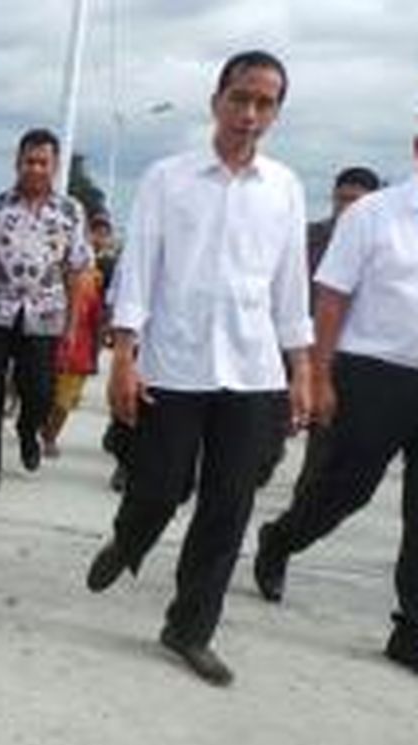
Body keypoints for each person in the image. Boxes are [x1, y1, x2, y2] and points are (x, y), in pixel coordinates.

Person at [85, 50, 313, 687]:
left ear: (275, 112)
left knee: (228, 506)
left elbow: (291, 289)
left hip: (252, 369)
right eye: (240, 98)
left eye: (264, 103)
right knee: (158, 486)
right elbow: (140, 271)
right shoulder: (167, 177)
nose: (249, 113)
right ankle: (129, 539)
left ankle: (188, 629)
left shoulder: (286, 188)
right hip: (175, 361)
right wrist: (123, 357)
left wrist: (301, 371)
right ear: (217, 100)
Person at [253, 133, 418, 675]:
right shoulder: (374, 214)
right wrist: (319, 373)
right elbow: (332, 297)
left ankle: (411, 629)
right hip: (373, 371)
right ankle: (281, 539)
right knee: (348, 488)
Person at [0, 128, 93, 496]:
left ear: (55, 167)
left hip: (45, 316)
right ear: (17, 162)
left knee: (39, 391)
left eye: (44, 162)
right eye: (30, 161)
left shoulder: (70, 212)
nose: (36, 169)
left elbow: (76, 271)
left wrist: (72, 324)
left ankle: (29, 431)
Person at [257, 165, 383, 487]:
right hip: (290, 345)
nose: (348, 208)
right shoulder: (307, 238)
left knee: (323, 444)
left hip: (341, 355)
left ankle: (304, 499)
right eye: (342, 199)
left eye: (356, 201)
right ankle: (263, 459)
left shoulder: (383, 248)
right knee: (268, 430)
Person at [40, 259, 105, 458]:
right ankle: (42, 429)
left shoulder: (91, 283)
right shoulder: (47, 279)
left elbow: (97, 324)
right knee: (44, 396)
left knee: (63, 403)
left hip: (77, 355)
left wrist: (95, 356)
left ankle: (50, 437)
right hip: (47, 348)